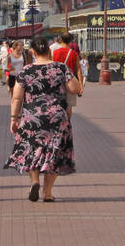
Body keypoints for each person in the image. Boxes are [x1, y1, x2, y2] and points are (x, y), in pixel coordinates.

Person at [5, 33, 83, 202]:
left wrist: (13, 118)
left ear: (32, 51)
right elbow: (75, 88)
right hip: (57, 116)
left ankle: (34, 181)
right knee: (55, 153)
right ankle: (47, 193)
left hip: (32, 117)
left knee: (32, 150)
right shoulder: (61, 68)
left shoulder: (26, 71)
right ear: (49, 50)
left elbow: (17, 97)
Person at [51, 31, 81, 117]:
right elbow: (79, 70)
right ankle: (68, 124)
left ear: (61, 40)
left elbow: (52, 66)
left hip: (57, 81)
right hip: (70, 81)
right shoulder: (74, 54)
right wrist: (81, 85)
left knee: (57, 103)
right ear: (71, 41)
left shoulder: (55, 52)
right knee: (69, 106)